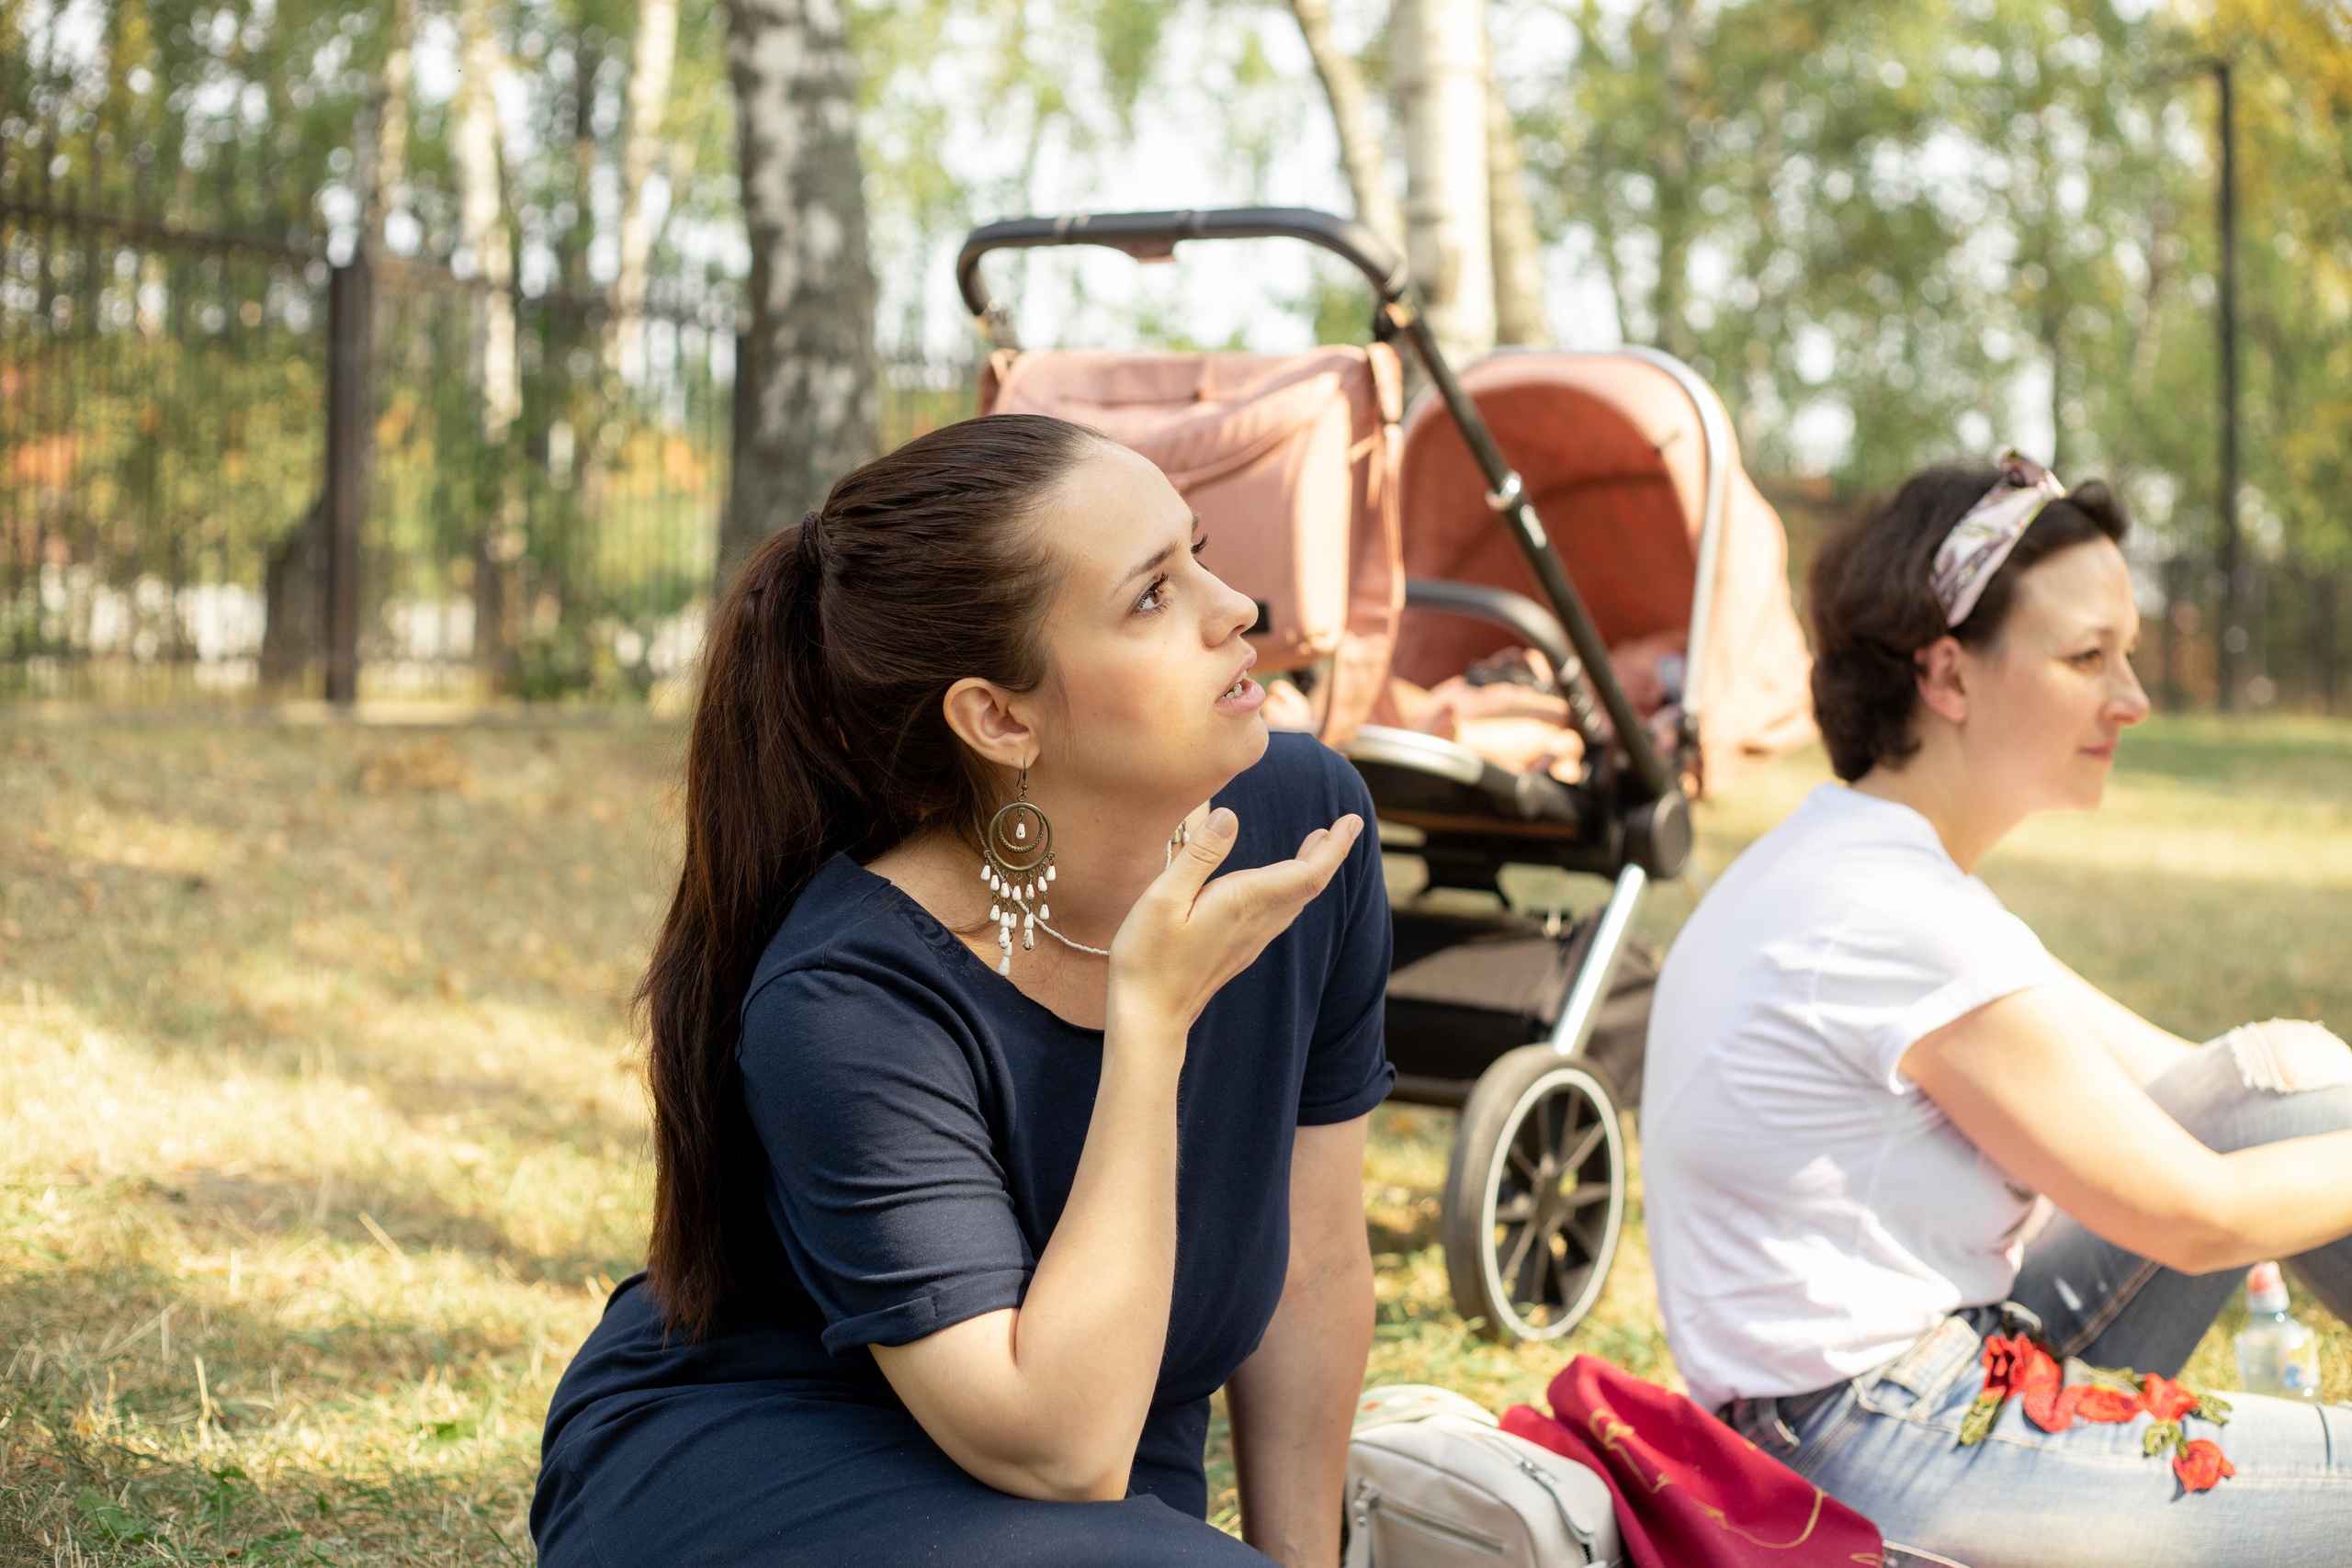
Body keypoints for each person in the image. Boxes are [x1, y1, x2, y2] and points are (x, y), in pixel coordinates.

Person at [532, 415, 1393, 1566]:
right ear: (1000, 717)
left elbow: (1315, 1268)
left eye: (1197, 553)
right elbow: (1058, 1447)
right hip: (776, 1452)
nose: (1233, 607)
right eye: (1151, 596)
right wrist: (1151, 1025)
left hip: (1094, 1500)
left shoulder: (1303, 829)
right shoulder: (846, 994)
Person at [1641, 454, 2352, 1566]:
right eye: (2086, 657)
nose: (2134, 697)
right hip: (1862, 1447)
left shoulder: (1873, 867)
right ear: (1949, 676)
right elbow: (2195, 1213)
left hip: (1905, 1384)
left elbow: (2232, 1087)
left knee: (2284, 1076)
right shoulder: (1890, 916)